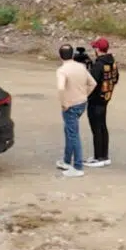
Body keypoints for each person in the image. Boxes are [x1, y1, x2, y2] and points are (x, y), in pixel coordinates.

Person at [55, 45, 95, 177]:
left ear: (60, 55)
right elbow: (93, 83)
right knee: (69, 131)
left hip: (70, 105)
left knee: (73, 134)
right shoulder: (81, 67)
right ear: (72, 54)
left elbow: (61, 88)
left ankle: (77, 166)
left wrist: (64, 103)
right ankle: (67, 161)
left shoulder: (62, 70)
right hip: (81, 103)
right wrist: (85, 95)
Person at [84, 37, 120, 167]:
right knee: (103, 127)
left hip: (95, 100)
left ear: (98, 49)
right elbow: (115, 79)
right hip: (105, 98)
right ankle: (104, 155)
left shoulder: (99, 65)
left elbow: (91, 82)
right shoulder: (112, 62)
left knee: (96, 128)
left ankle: (98, 157)